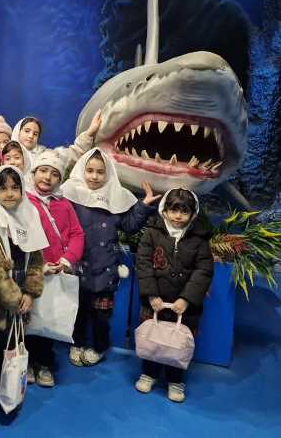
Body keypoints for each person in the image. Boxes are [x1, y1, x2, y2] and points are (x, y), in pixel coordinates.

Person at [61, 148, 158, 365]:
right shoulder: (71, 194)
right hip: (78, 267)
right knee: (77, 312)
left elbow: (130, 226)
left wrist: (143, 206)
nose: (94, 176)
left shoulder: (115, 196)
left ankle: (99, 347)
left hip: (105, 269)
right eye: (90, 171)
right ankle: (76, 343)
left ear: (108, 173)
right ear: (82, 170)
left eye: (100, 172)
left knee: (101, 316)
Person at [0, 166, 47, 412]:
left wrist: (31, 291)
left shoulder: (29, 215)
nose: (9, 193)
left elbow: (36, 259)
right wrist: (15, 299)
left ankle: (8, 391)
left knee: (11, 350)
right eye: (3, 188)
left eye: (15, 188)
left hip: (19, 303)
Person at [135, 188, 213, 403]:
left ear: (193, 214)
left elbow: (204, 270)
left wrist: (186, 298)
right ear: (165, 210)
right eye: (174, 210)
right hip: (155, 302)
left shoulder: (200, 239)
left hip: (184, 306)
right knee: (153, 339)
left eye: (184, 211)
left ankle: (175, 380)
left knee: (178, 344)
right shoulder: (152, 233)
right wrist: (151, 295)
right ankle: (149, 373)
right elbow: (143, 264)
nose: (178, 216)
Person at [25, 150, 84, 387]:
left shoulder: (64, 205)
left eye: (54, 174)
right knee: (27, 321)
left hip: (56, 274)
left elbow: (77, 234)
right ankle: (26, 363)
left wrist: (67, 259)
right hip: (32, 273)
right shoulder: (23, 201)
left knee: (48, 321)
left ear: (60, 179)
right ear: (33, 173)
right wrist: (37, 267)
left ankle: (45, 365)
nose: (47, 177)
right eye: (42, 171)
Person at [10, 110, 102, 171]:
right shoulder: (5, 153)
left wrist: (89, 133)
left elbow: (71, 155)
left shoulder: (44, 155)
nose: (31, 136)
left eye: (35, 134)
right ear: (18, 131)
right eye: (27, 131)